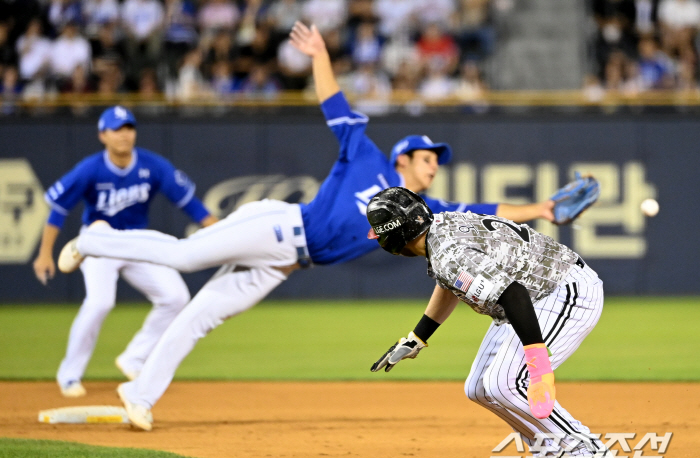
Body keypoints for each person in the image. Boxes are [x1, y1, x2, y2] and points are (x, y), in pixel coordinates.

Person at [57, 23, 557, 430]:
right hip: (277, 227)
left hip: (288, 262)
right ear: (404, 157)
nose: (433, 167)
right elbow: (333, 102)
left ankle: (139, 395)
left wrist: (538, 209)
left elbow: (486, 211)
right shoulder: (363, 154)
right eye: (428, 159)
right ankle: (95, 239)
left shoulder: (420, 210)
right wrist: (319, 53)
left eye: (436, 161)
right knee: (184, 256)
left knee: (199, 316)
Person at [365, 186, 613, 458]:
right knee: (479, 388)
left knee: (506, 383)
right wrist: (418, 337)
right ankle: (550, 449)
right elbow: (452, 281)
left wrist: (538, 365)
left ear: (392, 237)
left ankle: (587, 449)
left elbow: (513, 293)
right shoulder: (440, 230)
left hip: (562, 290)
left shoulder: (447, 254)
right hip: (529, 298)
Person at [33, 105, 217, 397]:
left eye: (129, 128)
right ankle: (69, 375)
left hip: (135, 241)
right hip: (99, 241)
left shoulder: (152, 166)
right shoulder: (91, 168)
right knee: (100, 302)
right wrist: (45, 253)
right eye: (116, 129)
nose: (124, 135)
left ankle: (134, 358)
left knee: (176, 296)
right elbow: (58, 209)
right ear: (102, 135)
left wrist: (222, 236)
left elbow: (193, 207)